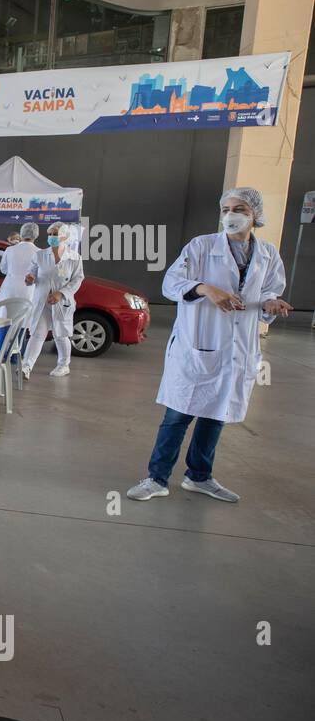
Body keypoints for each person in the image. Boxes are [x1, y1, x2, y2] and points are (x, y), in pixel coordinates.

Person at [126, 187, 291, 504]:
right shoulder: (201, 246)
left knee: (216, 414)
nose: (230, 215)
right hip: (197, 344)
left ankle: (199, 476)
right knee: (178, 416)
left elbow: (271, 291)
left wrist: (272, 305)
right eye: (226, 209)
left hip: (237, 348)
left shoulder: (268, 253)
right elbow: (171, 283)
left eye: (239, 208)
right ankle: (156, 478)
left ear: (254, 214)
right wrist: (205, 288)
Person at [21, 222, 84, 379]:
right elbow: (31, 273)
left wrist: (61, 293)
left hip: (61, 303)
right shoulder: (40, 255)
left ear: (65, 236)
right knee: (37, 334)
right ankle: (26, 367)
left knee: (60, 334)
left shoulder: (74, 258)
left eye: (55, 234)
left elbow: (77, 279)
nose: (51, 237)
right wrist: (29, 278)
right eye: (49, 234)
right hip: (42, 301)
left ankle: (64, 365)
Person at [0, 222, 40, 307]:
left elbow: (3, 269)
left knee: (5, 315)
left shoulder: (10, 249)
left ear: (21, 234)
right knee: (24, 316)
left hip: (9, 288)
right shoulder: (39, 252)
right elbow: (40, 274)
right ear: (36, 235)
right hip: (28, 290)